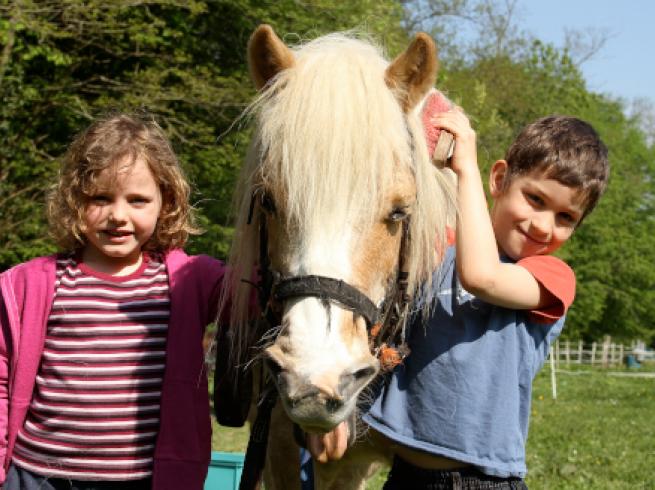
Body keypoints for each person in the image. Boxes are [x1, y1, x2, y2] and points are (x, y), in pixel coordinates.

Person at [362, 112, 610, 489]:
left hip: (481, 481)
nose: (543, 225)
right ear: (499, 180)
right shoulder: (434, 257)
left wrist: (466, 170)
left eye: (565, 217)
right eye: (535, 198)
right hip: (405, 477)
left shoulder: (552, 278)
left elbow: (481, 277)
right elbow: (384, 339)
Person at [0, 114, 226, 490]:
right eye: (100, 198)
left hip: (142, 480)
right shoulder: (30, 283)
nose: (118, 216)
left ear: (165, 203)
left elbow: (262, 296)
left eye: (137, 200)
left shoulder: (192, 280)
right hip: (37, 477)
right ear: (75, 200)